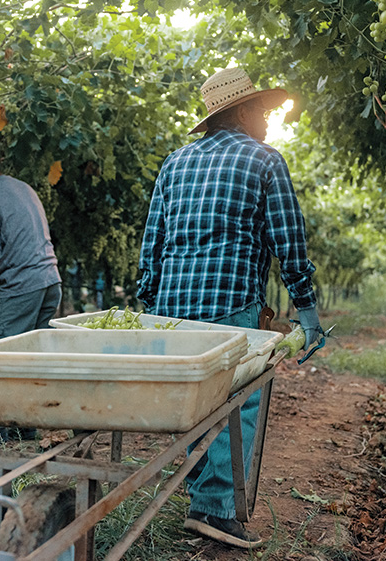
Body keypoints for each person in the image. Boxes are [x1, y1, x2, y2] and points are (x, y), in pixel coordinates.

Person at [136, 66, 323, 550]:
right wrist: (308, 312)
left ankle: (204, 496)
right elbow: (288, 241)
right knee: (237, 404)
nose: (266, 118)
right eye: (261, 109)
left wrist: (151, 304)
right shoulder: (264, 160)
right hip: (230, 303)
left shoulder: (174, 163)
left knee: (193, 404)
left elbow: (151, 242)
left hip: (172, 308)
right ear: (240, 111)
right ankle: (214, 511)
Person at [0, 152, 62, 343]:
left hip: (23, 286)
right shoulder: (25, 188)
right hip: (51, 282)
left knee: (1, 351)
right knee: (33, 353)